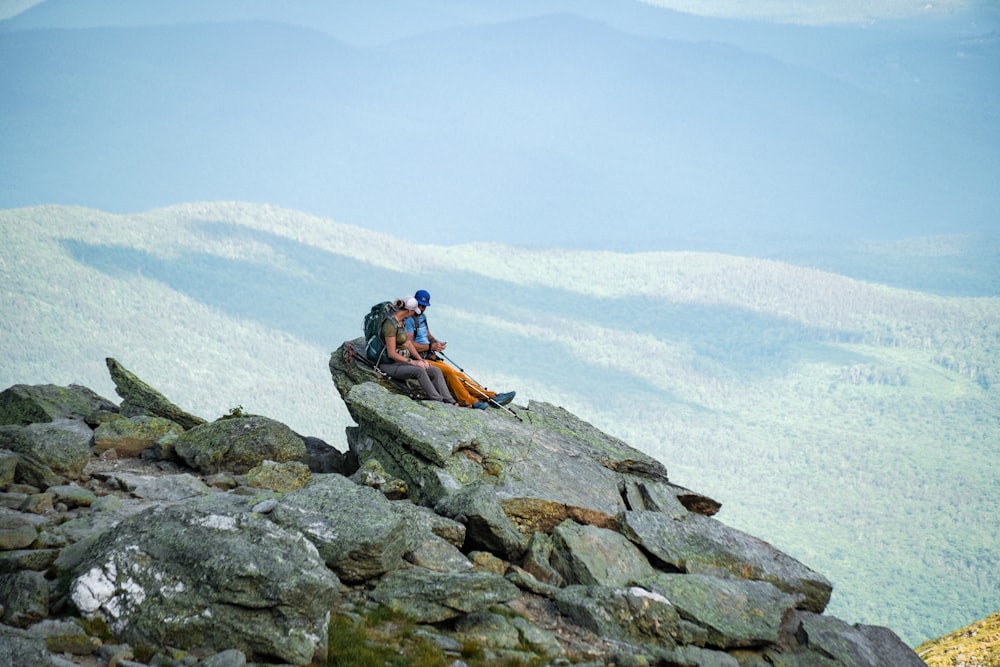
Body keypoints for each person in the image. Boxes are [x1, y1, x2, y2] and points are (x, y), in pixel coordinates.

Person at [405, 289, 515, 409]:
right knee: (450, 373)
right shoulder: (409, 319)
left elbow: (428, 336)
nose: (422, 308)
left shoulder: (422, 317)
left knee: (460, 376)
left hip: (430, 355)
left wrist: (436, 343)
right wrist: (430, 347)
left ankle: (491, 397)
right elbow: (409, 344)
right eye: (420, 305)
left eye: (424, 306)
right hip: (420, 358)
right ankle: (469, 401)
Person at [377, 297, 457, 405]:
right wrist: (413, 362)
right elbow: (391, 354)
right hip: (389, 364)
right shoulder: (390, 325)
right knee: (419, 371)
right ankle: (438, 400)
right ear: (409, 311)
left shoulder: (402, 322)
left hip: (402, 363)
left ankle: (450, 401)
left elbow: (408, 343)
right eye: (414, 312)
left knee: (435, 371)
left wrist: (420, 360)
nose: (414, 315)